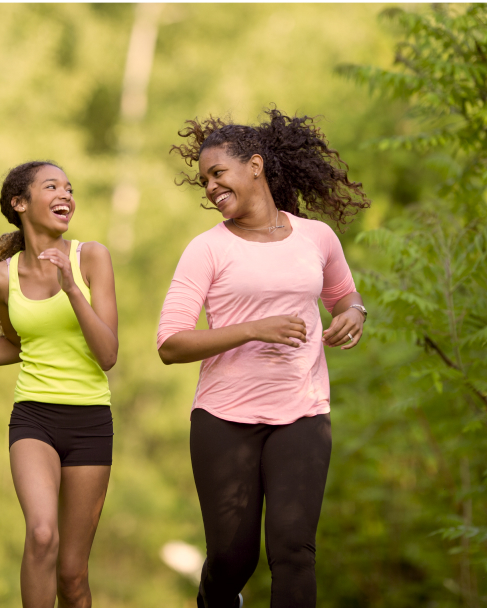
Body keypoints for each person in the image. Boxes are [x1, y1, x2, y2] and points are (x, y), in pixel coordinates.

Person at [157, 108, 371, 608]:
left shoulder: (317, 237)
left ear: (255, 166)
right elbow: (170, 343)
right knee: (233, 558)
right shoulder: (205, 249)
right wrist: (253, 329)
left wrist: (355, 313)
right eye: (204, 180)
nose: (210, 188)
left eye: (218, 174)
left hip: (303, 411)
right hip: (224, 417)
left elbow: (345, 295)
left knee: (294, 551)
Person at [0, 161, 118, 608]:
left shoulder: (91, 257)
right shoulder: (2, 278)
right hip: (34, 417)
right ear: (19, 204)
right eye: (51, 186)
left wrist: (72, 288)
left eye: (69, 188)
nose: (66, 195)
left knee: (72, 576)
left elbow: (108, 354)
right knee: (40, 534)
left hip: (90, 421)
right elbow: (18, 343)